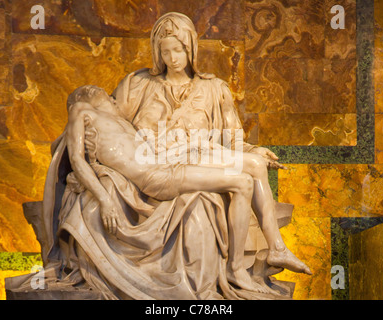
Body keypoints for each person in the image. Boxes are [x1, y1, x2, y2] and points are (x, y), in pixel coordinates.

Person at [112, 12, 311, 275]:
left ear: (191, 48)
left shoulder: (215, 88)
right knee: (247, 172)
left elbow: (233, 139)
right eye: (166, 51)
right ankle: (264, 255)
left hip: (200, 155)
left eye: (179, 50)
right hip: (160, 163)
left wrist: (253, 149)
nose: (172, 58)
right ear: (157, 52)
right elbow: (106, 121)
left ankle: (276, 249)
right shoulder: (139, 86)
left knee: (254, 163)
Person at [66, 84, 272, 293]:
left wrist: (200, 146)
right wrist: (104, 199)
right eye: (109, 97)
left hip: (169, 163)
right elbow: (76, 159)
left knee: (252, 167)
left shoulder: (124, 123)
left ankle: (273, 249)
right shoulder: (82, 109)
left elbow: (159, 148)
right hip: (158, 177)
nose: (114, 100)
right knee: (242, 183)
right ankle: (235, 269)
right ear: (91, 94)